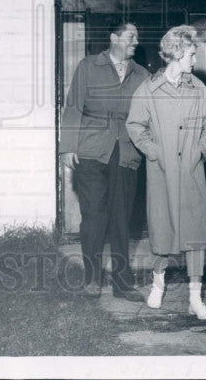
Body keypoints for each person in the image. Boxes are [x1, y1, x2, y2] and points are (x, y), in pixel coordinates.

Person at [126, 25, 206, 320]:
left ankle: (195, 298)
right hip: (162, 171)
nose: (195, 59)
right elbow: (135, 126)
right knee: (162, 229)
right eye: (192, 53)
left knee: (194, 234)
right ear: (178, 53)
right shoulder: (148, 90)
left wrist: (201, 149)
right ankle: (158, 283)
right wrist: (153, 152)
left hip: (192, 171)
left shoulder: (198, 87)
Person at [59, 20, 150, 301]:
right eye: (131, 36)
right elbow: (73, 107)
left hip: (126, 151)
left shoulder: (143, 75)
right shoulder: (88, 66)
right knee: (94, 218)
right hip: (90, 150)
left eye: (137, 37)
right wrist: (68, 147)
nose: (136, 41)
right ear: (114, 38)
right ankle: (92, 279)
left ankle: (123, 284)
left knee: (122, 220)